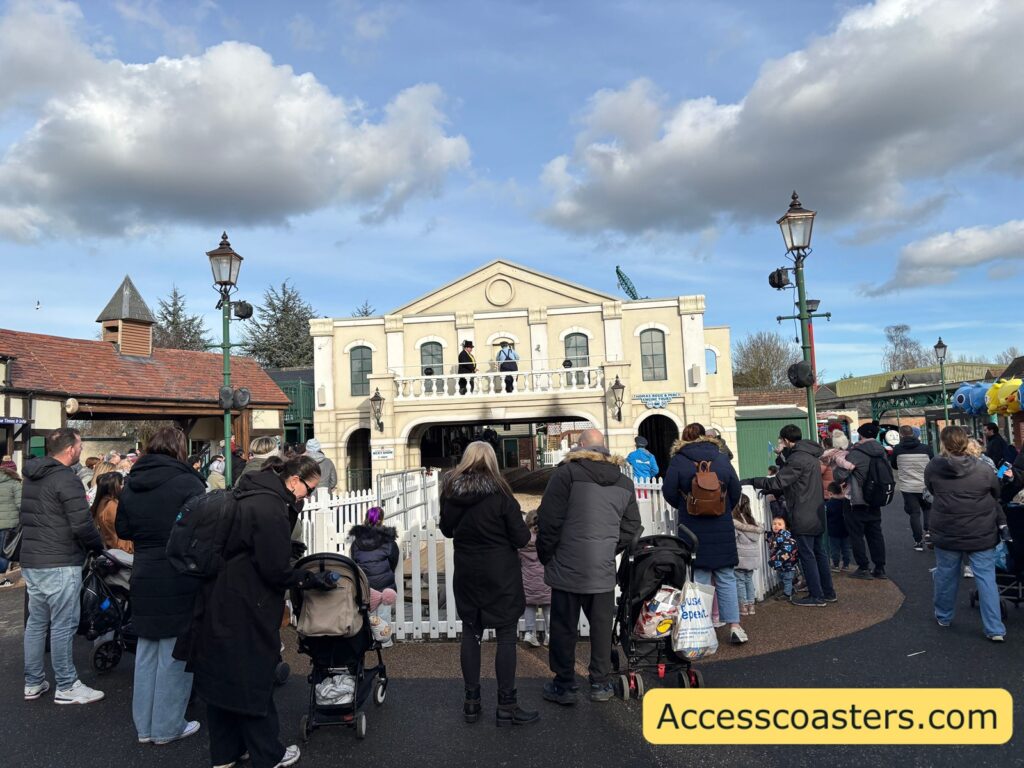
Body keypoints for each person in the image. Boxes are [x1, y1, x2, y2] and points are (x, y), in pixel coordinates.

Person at [181, 454, 332, 768]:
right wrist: (306, 577)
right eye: (310, 489)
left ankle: (225, 753)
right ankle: (268, 753)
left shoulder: (248, 493)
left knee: (223, 678)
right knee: (253, 678)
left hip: (219, 596)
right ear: (294, 481)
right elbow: (274, 569)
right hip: (248, 601)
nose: (309, 496)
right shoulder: (270, 508)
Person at [116, 427, 206, 745]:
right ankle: (168, 725)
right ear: (179, 449)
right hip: (178, 570)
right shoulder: (188, 483)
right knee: (174, 652)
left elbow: (122, 527)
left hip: (143, 570)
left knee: (146, 650)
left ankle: (145, 726)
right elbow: (203, 527)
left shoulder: (132, 482)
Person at [538, 429, 642, 705]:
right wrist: (610, 547)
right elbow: (633, 527)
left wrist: (547, 554)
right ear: (604, 448)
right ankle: (600, 682)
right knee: (600, 628)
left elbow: (549, 520)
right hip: (602, 566)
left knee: (563, 627)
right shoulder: (623, 482)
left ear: (581, 446)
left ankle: (565, 684)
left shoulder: (566, 475)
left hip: (567, 564)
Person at [438, 442, 537, 726]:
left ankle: (472, 701)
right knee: (506, 635)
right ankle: (507, 704)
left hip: (468, 570)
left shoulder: (451, 492)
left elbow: (446, 529)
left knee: (471, 632)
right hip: (500, 572)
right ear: (492, 461)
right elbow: (520, 538)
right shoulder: (501, 494)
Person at [21, 427, 105, 704]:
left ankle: (33, 681)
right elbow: (81, 524)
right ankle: (67, 685)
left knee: (36, 623)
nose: (81, 449)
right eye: (80, 445)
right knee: (62, 624)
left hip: (33, 558)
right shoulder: (66, 479)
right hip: (59, 560)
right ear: (70, 449)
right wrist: (98, 547)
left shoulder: (33, 477)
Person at [666, 423, 748, 638]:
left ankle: (704, 627)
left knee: (700, 577)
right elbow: (735, 488)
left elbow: (668, 491)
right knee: (726, 575)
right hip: (721, 524)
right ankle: (735, 626)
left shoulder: (679, 460)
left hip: (692, 525)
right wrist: (722, 507)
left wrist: (686, 505)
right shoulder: (721, 458)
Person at [926, 426, 1007, 642]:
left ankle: (943, 616)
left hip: (947, 528)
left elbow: (931, 490)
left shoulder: (934, 467)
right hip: (981, 529)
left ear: (943, 444)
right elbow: (996, 492)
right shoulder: (984, 468)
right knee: (986, 577)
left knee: (946, 574)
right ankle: (995, 628)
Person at [746, 424, 836, 607]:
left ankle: (816, 596)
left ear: (786, 440)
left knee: (808, 555)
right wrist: (781, 455)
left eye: (781, 440)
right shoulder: (810, 455)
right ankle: (828, 592)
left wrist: (752, 481)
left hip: (803, 512)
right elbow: (792, 472)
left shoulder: (798, 458)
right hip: (816, 510)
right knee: (819, 553)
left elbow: (779, 481)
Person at [836, 423, 888, 580]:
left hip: (856, 499)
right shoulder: (881, 451)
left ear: (861, 435)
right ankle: (880, 567)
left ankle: (863, 567)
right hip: (876, 499)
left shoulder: (857, 453)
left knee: (856, 535)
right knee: (875, 534)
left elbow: (840, 476)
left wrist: (839, 463)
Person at [348, 505, 399, 627]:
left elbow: (354, 562)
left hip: (365, 585)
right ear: (381, 520)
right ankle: (384, 641)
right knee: (383, 616)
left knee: (367, 616)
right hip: (384, 585)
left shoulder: (356, 543)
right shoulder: (388, 542)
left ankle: (369, 641)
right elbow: (394, 561)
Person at [890, 424, 934, 551]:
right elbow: (932, 463)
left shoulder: (898, 449)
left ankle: (918, 541)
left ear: (901, 435)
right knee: (927, 509)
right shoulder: (925, 448)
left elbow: (894, 465)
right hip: (925, 485)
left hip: (907, 486)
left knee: (914, 514)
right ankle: (929, 532)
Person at [821, 430, 853, 571]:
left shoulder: (830, 456)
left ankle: (835, 563)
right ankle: (846, 564)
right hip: (845, 528)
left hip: (834, 528)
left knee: (834, 546)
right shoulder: (845, 453)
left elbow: (820, 469)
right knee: (846, 546)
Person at [519, 509, 551, 647]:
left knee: (529, 605)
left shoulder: (523, 541)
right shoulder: (545, 539)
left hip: (528, 580)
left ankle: (529, 632)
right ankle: (550, 634)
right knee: (548, 606)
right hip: (545, 580)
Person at [732, 494, 761, 616]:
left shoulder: (736, 522)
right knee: (749, 580)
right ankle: (751, 605)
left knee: (739, 581)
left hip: (741, 556)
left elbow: (734, 538)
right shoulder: (752, 521)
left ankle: (743, 606)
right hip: (752, 557)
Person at [91, 472, 133, 554]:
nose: (123, 487)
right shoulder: (112, 505)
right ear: (116, 487)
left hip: (113, 548)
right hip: (121, 550)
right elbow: (118, 531)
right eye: (121, 484)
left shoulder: (101, 502)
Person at [0, 458, 22, 587]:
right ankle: (2, 579)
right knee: (4, 551)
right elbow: (21, 505)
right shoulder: (15, 484)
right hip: (9, 523)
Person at [767, 514, 799, 599]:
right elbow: (772, 543)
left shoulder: (786, 538)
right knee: (781, 578)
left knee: (787, 579)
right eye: (774, 524)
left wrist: (774, 561)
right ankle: (791, 590)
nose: (776, 526)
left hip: (787, 564)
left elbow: (785, 552)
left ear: (785, 527)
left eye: (779, 524)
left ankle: (787, 595)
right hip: (780, 565)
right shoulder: (775, 537)